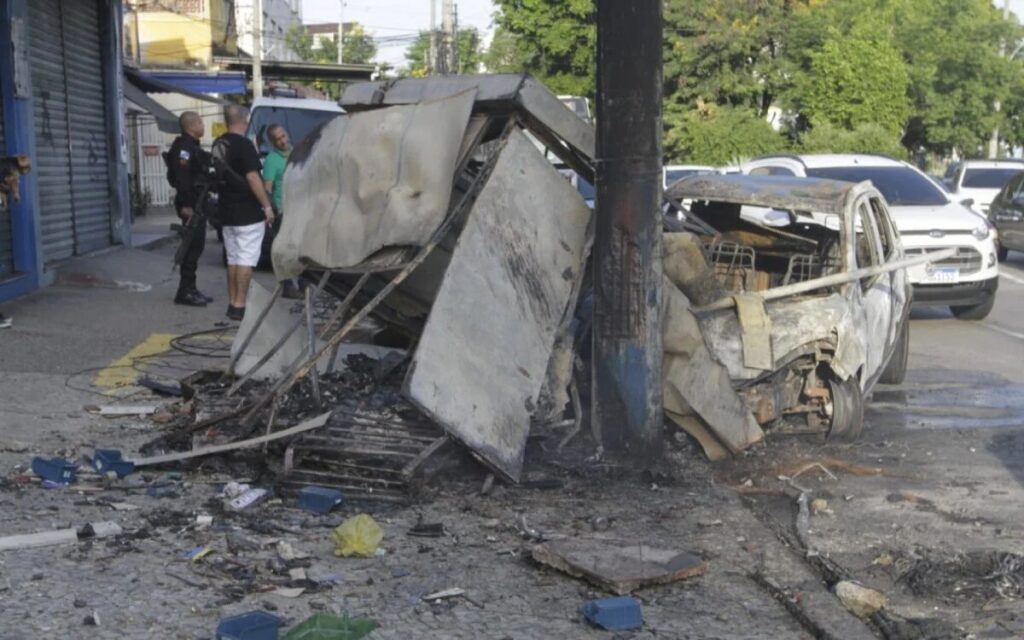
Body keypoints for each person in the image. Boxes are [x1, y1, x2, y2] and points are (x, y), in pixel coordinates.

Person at [212, 104, 274, 321]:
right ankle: (240, 305)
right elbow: (253, 178)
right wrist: (267, 206)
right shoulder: (244, 144)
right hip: (247, 213)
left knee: (233, 259)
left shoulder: (219, 143)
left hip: (227, 212)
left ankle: (232, 303)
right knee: (246, 260)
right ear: (245, 121)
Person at [167, 111, 214, 307]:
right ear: (192, 125)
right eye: (201, 123)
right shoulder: (184, 148)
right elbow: (181, 178)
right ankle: (185, 291)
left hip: (198, 201)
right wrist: (186, 205)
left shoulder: (192, 147)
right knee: (191, 247)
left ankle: (190, 288)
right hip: (191, 203)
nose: (203, 126)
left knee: (196, 246)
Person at [261, 123, 302, 299]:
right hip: (282, 211)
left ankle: (304, 282)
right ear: (272, 141)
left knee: (301, 249)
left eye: (283, 136)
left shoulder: (297, 153)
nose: (282, 141)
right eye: (277, 139)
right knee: (284, 250)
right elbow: (267, 187)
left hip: (300, 209)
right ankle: (287, 285)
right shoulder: (272, 159)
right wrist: (270, 209)